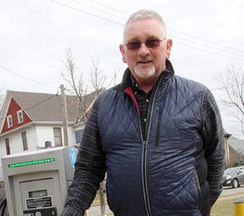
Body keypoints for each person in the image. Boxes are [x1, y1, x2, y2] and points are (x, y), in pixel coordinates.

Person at [61, 9, 225, 216]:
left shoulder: (199, 98)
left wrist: (200, 207)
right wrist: (71, 210)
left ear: (168, 47)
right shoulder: (104, 105)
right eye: (134, 44)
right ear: (123, 52)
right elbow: (87, 169)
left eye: (152, 42)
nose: (143, 50)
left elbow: (216, 163)